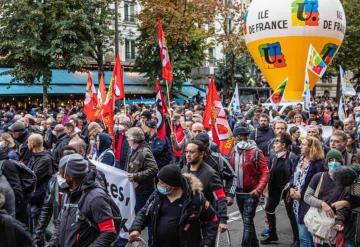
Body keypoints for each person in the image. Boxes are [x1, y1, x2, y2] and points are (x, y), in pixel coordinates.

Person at [129, 164, 219, 247]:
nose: (159, 185)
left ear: (174, 185)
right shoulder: (157, 195)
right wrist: (136, 228)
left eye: (162, 183)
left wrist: (207, 243)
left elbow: (212, 219)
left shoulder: (195, 198)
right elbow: (144, 212)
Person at [48, 154, 117, 247]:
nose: (59, 176)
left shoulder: (96, 198)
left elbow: (109, 231)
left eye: (61, 173)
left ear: (71, 176)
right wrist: (51, 244)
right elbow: (60, 223)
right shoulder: (68, 192)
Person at [229, 126, 269, 247]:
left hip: (252, 192)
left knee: (246, 221)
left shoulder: (256, 151)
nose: (235, 140)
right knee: (248, 220)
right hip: (239, 192)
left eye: (237, 137)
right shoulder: (233, 151)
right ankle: (254, 243)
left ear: (241, 137)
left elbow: (265, 172)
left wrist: (259, 189)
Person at [304, 149, 350, 246]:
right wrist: (322, 204)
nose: (334, 163)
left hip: (336, 224)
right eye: (331, 160)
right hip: (319, 221)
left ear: (342, 163)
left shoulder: (345, 181)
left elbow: (346, 203)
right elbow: (307, 197)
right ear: (327, 162)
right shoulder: (318, 177)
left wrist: (340, 221)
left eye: (337, 161)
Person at [261, 133, 299, 246]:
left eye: (277, 142)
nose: (274, 145)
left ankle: (297, 239)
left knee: (291, 214)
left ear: (283, 145)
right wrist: (265, 187)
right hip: (274, 189)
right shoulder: (273, 156)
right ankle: (273, 235)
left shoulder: (292, 157)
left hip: (287, 191)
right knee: (268, 209)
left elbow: (296, 174)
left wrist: (290, 184)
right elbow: (268, 171)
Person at [182, 140, 229, 233]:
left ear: (201, 153)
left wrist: (223, 219)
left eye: (192, 152)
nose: (188, 155)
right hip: (187, 219)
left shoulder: (210, 174)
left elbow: (220, 197)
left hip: (206, 220)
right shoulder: (184, 170)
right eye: (186, 152)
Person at [289, 137, 325, 247]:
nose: (300, 146)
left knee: (305, 238)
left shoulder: (318, 164)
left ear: (311, 148)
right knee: (303, 236)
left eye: (304, 145)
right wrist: (291, 187)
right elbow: (292, 175)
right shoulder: (299, 159)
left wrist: (302, 194)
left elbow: (319, 185)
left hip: (308, 203)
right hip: (296, 203)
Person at [194, 133, 236, 206]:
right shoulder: (189, 159)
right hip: (197, 203)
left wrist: (230, 194)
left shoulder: (218, 160)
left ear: (207, 145)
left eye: (202, 145)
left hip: (216, 202)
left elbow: (232, 176)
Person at [125, 127, 158, 212]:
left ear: (134, 139)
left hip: (143, 192)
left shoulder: (144, 151)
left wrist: (136, 176)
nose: (127, 140)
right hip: (136, 190)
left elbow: (154, 169)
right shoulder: (134, 150)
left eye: (128, 138)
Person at [26, 133, 55, 233]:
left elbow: (33, 177)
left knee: (38, 228)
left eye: (28, 142)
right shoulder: (35, 156)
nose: (27, 144)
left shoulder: (45, 159)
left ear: (32, 144)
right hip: (34, 195)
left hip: (40, 197)